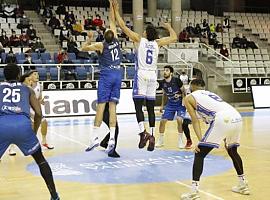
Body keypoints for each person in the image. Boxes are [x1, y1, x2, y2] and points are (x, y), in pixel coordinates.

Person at [112, 0, 177, 151]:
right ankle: (153, 135)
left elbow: (122, 26)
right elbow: (174, 38)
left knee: (137, 106)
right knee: (150, 108)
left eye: (144, 31)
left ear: (147, 33)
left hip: (141, 75)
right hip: (153, 76)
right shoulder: (158, 43)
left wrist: (115, 10)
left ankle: (143, 133)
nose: (142, 32)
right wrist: (168, 27)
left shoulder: (139, 40)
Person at [180, 79, 250, 199]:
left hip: (223, 118)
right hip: (236, 116)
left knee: (199, 154)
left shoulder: (188, 98)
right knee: (233, 151)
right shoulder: (210, 94)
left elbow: (195, 121)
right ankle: (243, 184)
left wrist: (200, 141)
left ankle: (194, 191)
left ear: (192, 86)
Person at [0, 64, 60, 200]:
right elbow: (38, 113)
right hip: (23, 125)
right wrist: (34, 130)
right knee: (41, 160)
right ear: (18, 76)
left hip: (2, 125)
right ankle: (54, 195)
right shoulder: (27, 89)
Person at [82, 0, 122, 155]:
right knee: (113, 108)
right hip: (118, 75)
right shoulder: (116, 40)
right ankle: (112, 138)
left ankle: (94, 137)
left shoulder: (101, 45)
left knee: (101, 106)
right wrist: (113, 6)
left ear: (104, 36)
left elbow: (83, 49)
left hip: (106, 76)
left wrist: (90, 38)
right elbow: (112, 21)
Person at [155, 66, 191, 149]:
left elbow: (184, 91)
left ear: (171, 73)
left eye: (167, 70)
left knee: (179, 120)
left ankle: (180, 140)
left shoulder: (177, 80)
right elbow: (164, 94)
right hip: (170, 104)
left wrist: (184, 101)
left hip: (180, 104)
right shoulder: (162, 83)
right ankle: (160, 140)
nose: (164, 72)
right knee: (162, 121)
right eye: (164, 70)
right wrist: (162, 105)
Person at [28, 70, 54, 149]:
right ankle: (12, 147)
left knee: (44, 122)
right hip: (26, 108)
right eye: (35, 74)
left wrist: (41, 101)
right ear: (30, 76)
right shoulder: (26, 86)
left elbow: (39, 98)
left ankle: (44, 141)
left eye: (38, 74)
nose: (37, 76)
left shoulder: (40, 85)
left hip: (34, 108)